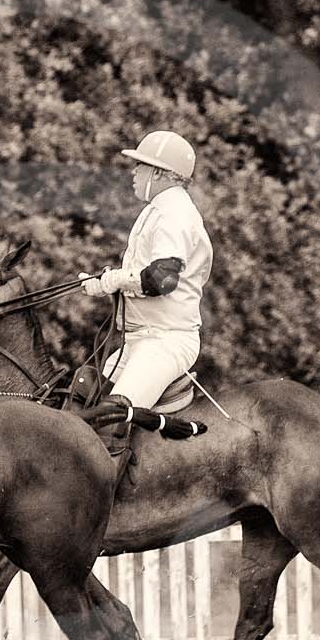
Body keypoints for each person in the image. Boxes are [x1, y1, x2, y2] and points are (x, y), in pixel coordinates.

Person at [76, 129, 213, 468]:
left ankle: (100, 511)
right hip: (140, 340)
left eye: (141, 166)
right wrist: (105, 283)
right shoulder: (157, 209)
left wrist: (115, 280)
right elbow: (144, 274)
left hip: (165, 342)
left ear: (162, 174)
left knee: (111, 418)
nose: (134, 172)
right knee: (80, 398)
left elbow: (161, 279)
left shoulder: (174, 214)